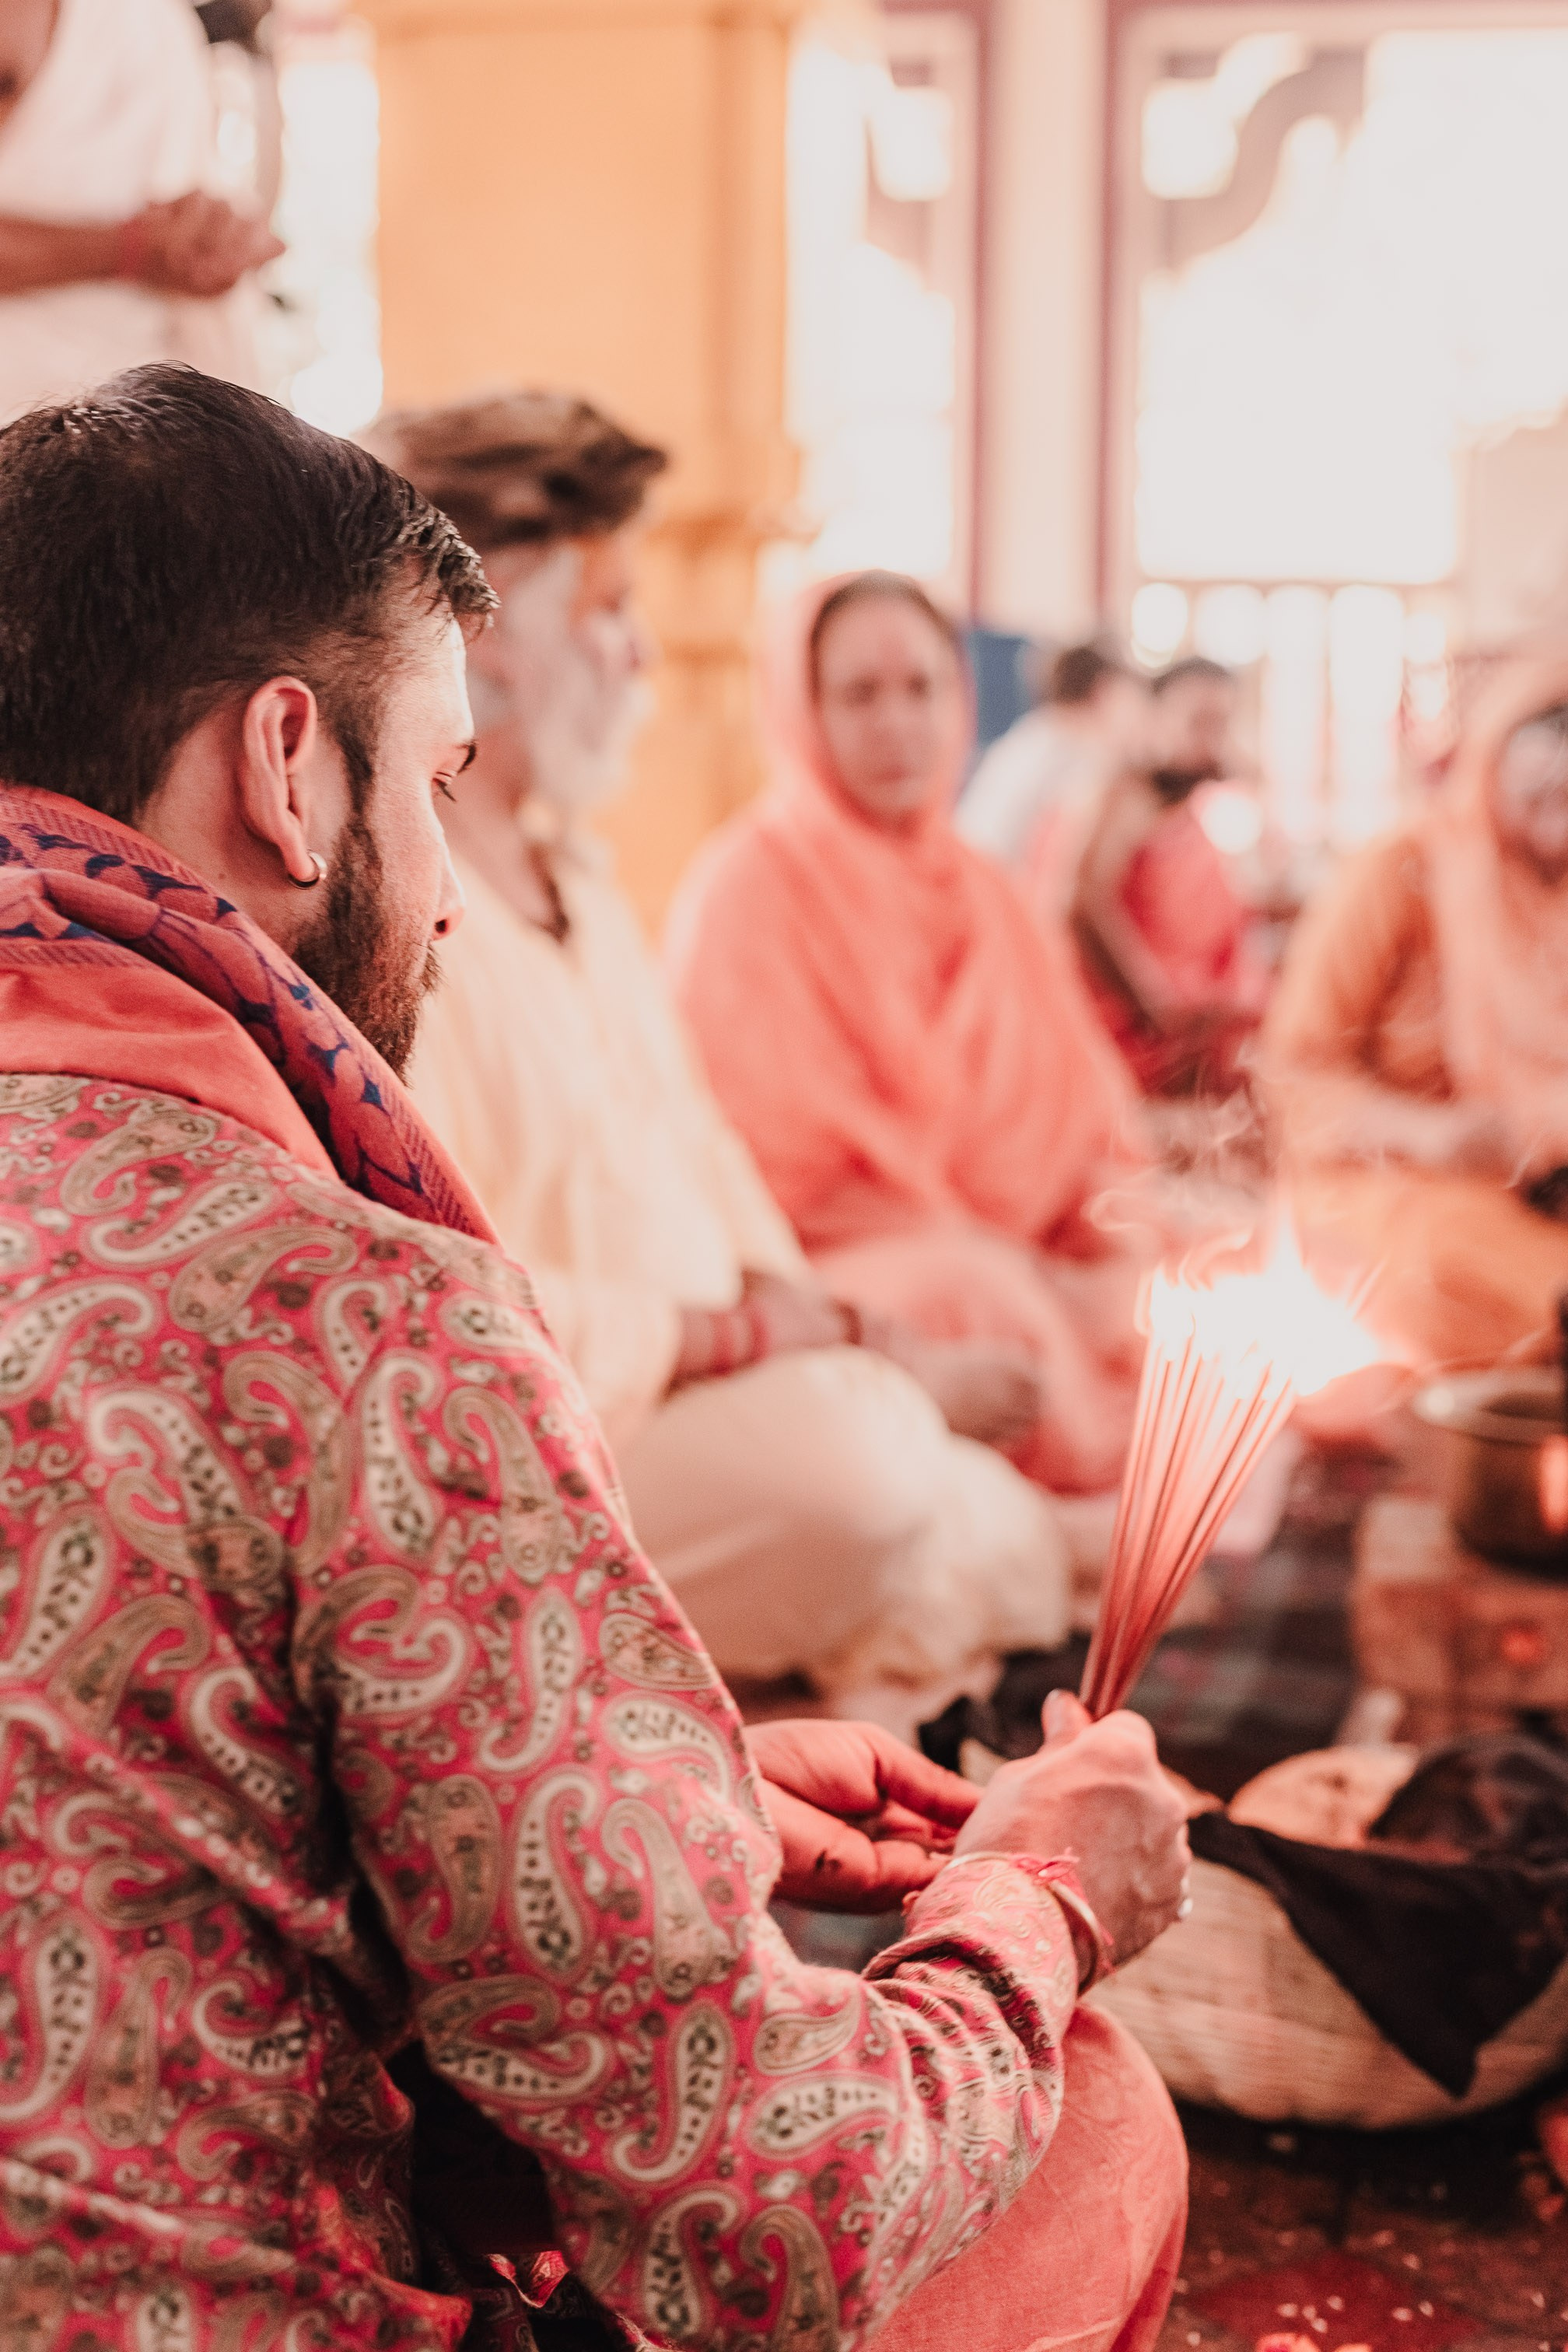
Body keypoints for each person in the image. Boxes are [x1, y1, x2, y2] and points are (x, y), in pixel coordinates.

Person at [0, 365, 1190, 2352]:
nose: (448, 891)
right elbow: (766, 2224)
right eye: (434, 783)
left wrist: (680, 1782)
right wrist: (1042, 1906)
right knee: (1091, 2135)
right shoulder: (362, 1316)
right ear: (290, 765)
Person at [366, 393, 1069, 1706]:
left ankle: (869, 1618)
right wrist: (751, 1338)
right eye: (608, 611)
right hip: (548, 1432)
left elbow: (705, 1155)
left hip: (709, 1387)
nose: (642, 655)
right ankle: (850, 1639)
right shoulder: (408, 906)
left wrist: (833, 1330)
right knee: (865, 1476)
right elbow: (445, 1300)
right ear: (490, 635)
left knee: (901, 1457)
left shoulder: (580, 870)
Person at [667, 569, 1159, 1496]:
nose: (898, 724)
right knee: (973, 1299)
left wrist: (1110, 1242)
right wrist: (1006, 1259)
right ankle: (1082, 1529)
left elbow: (1090, 1118)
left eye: (921, 690)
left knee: (1198, 1272)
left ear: (962, 701)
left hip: (1025, 1255)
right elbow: (778, 1167)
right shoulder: (748, 889)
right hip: (833, 1278)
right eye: (860, 695)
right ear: (802, 710)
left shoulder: (989, 894)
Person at [1262, 650, 1568, 1374]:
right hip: (1395, 1183)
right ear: (1491, 759)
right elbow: (1291, 1078)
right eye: (1549, 740)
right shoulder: (1401, 869)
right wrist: (1430, 1135)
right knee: (1449, 1274)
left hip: (1539, 1193)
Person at [0, 0, 280, 421]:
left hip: (143, 416)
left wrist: (220, 239)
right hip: (27, 420)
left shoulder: (158, 22)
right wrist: (132, 248)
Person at [1073, 656, 1268, 1096]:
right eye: (1198, 722)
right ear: (1155, 717)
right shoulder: (1126, 799)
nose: (1211, 740)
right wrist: (1155, 1006)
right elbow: (1085, 901)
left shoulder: (1186, 808)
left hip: (1198, 1028)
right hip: (1138, 1042)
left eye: (1221, 724)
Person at [958, 640, 1148, 918]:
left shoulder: (1031, 739)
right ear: (1103, 692)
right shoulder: (1074, 758)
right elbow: (1053, 877)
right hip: (1000, 911)